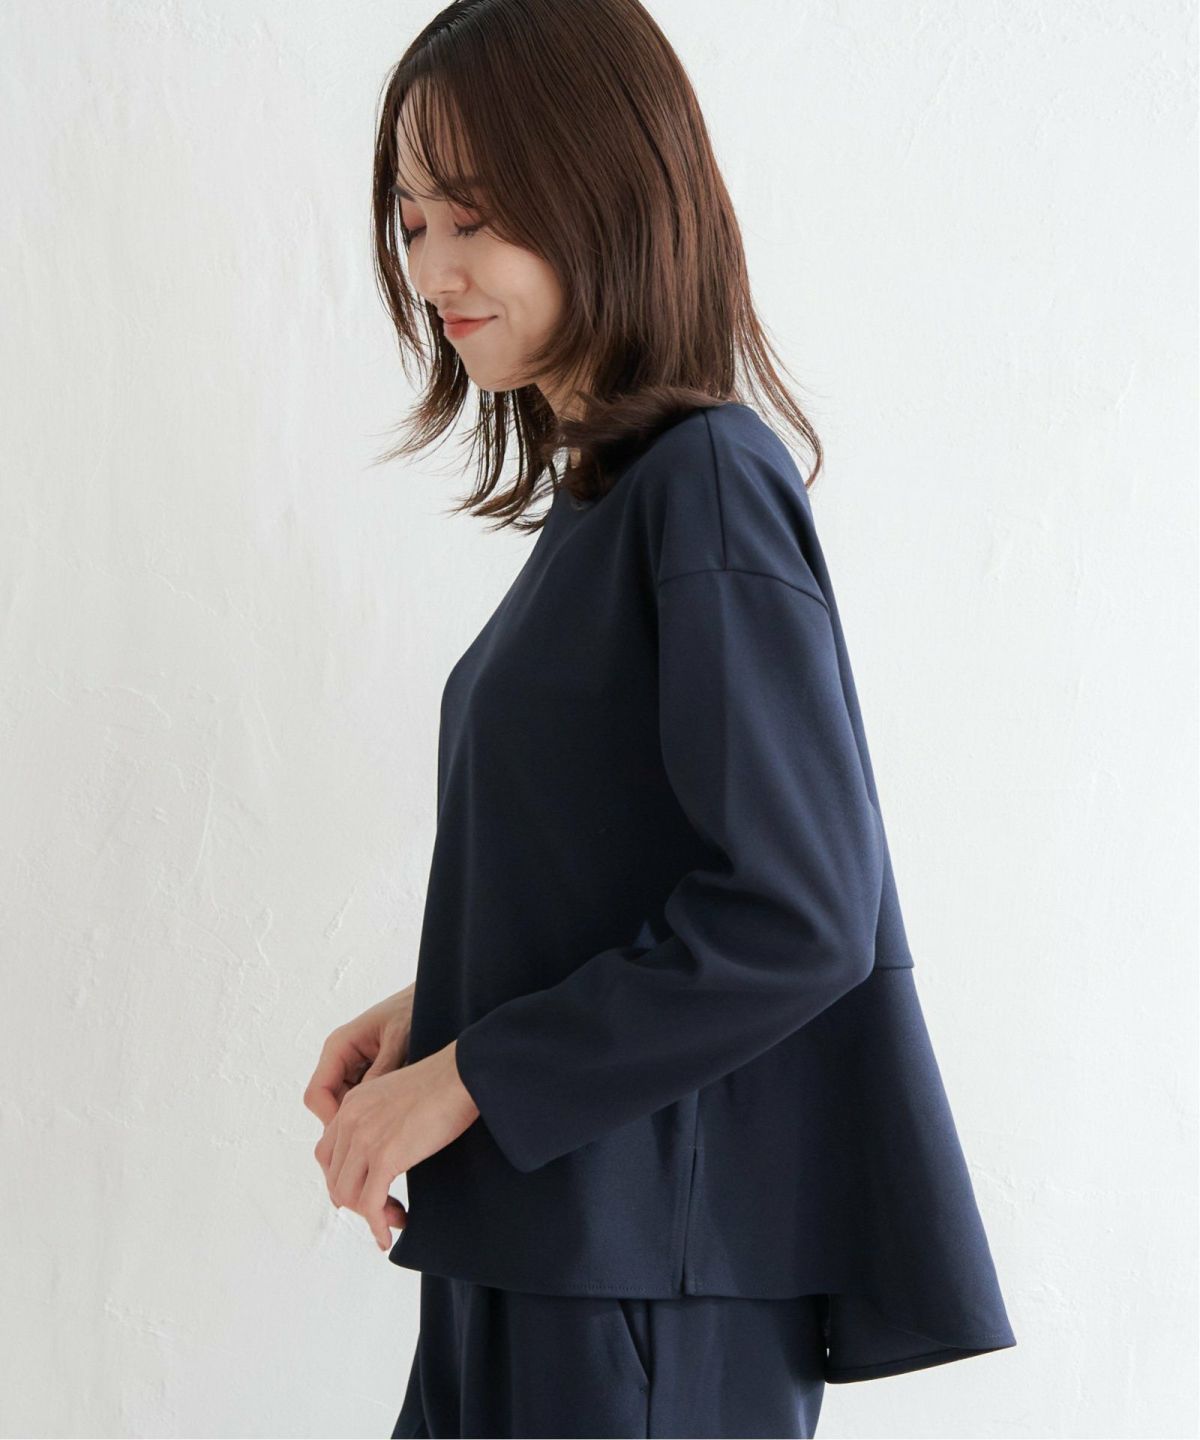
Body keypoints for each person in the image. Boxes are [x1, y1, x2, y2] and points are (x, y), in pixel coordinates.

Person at [304, 2, 1017, 1435]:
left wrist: (470, 1075)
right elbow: (637, 869)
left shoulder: (706, 480)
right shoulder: (609, 504)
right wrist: (444, 1007)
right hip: (547, 1252)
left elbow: (799, 912)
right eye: (413, 223)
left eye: (474, 217)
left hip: (632, 1293)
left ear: (606, 193)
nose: (434, 269)